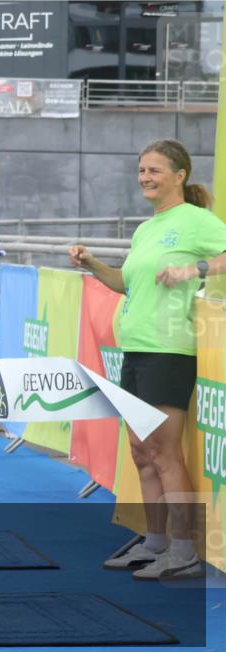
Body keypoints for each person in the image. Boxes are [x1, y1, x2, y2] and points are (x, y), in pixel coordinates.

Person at [70, 138, 226, 581]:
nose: (145, 178)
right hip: (135, 349)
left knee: (164, 452)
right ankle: (155, 543)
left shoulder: (196, 220)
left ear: (180, 176)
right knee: (141, 452)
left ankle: (184, 550)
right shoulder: (145, 229)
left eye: (154, 170)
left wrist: (193, 270)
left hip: (169, 350)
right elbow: (126, 283)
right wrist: (92, 263)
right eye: (141, 171)